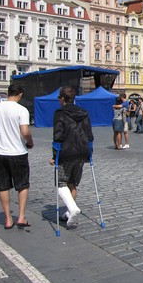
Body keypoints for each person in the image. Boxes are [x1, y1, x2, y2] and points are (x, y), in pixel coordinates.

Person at [0, 84, 34, 229]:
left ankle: (7, 219)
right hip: (17, 152)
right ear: (20, 94)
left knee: (3, 186)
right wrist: (30, 142)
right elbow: (25, 131)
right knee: (22, 184)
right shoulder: (21, 110)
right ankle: (20, 217)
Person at [51, 86, 93, 228]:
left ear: (62, 99)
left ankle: (73, 209)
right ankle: (69, 213)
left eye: (59, 98)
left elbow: (58, 135)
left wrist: (54, 155)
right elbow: (89, 133)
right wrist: (89, 152)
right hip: (82, 151)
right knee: (72, 182)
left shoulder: (60, 113)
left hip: (67, 152)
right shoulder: (84, 112)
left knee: (61, 182)